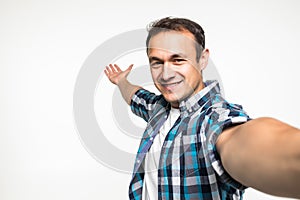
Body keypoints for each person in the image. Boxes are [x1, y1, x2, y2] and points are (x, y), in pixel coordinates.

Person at [104, 17, 300, 200]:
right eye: (157, 62)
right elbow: (135, 96)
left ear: (202, 59)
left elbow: (247, 141)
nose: (165, 74)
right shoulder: (157, 109)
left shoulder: (215, 119)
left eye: (178, 60)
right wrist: (121, 81)